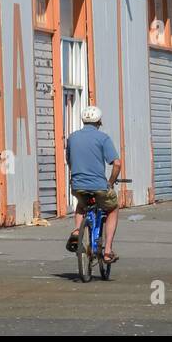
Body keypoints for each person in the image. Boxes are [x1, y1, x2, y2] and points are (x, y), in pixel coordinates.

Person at [64, 104, 122, 264]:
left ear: (83, 121)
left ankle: (77, 231)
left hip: (78, 186)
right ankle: (108, 251)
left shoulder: (72, 137)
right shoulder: (103, 138)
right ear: (99, 122)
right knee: (112, 208)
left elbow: (69, 160)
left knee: (82, 205)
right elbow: (116, 163)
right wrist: (110, 182)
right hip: (99, 186)